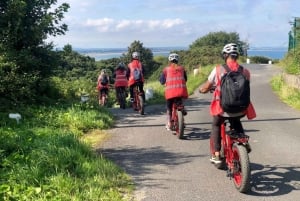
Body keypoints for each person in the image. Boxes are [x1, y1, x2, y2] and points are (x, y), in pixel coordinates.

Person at [199, 43, 256, 164]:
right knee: (236, 120)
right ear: (237, 56)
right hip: (241, 108)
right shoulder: (245, 71)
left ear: (225, 55)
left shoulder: (219, 69)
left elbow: (207, 86)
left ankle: (216, 154)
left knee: (216, 124)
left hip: (223, 108)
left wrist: (202, 90)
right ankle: (243, 141)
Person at [159, 53, 188, 130]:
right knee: (180, 103)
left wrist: (164, 82)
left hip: (170, 93)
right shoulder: (182, 69)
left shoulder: (166, 69)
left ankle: (169, 123)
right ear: (177, 60)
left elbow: (162, 81)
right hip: (181, 91)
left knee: (169, 108)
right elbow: (185, 79)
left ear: (169, 60)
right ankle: (182, 120)